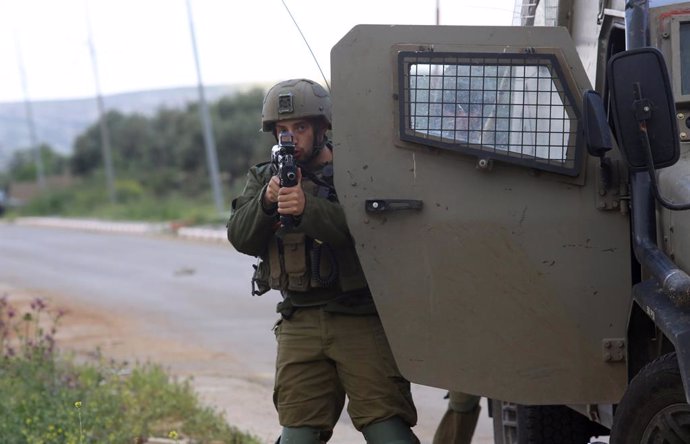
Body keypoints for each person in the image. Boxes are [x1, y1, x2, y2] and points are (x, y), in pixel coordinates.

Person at [227, 78, 418, 444]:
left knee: (387, 430)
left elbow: (369, 233)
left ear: (323, 126)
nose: (290, 138)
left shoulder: (356, 172)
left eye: (299, 127)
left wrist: (308, 208)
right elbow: (240, 237)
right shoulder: (263, 177)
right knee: (298, 435)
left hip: (359, 317)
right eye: (282, 130)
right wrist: (267, 203)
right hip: (299, 319)